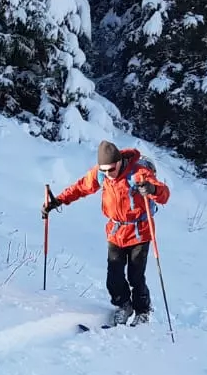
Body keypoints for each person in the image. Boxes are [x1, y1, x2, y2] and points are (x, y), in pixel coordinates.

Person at [44, 140, 171, 327]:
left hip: (139, 231)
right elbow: (80, 187)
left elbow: (164, 195)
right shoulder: (101, 175)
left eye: (111, 169)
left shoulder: (138, 173)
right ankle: (124, 305)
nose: (107, 174)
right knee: (114, 276)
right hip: (116, 231)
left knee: (136, 275)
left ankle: (143, 311)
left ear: (119, 162)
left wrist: (152, 189)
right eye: (104, 170)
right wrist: (58, 201)